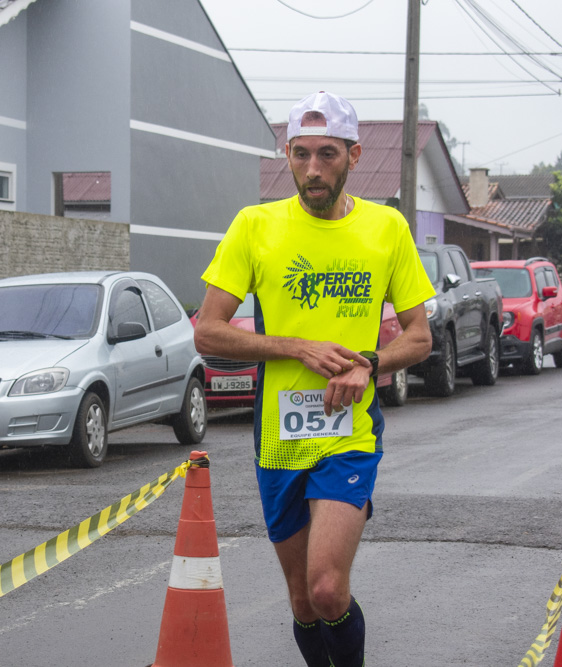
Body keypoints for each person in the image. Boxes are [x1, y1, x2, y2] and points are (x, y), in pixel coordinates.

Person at [193, 91, 436, 666]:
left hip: (349, 434)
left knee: (328, 588)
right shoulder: (255, 226)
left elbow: (419, 337)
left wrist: (370, 364)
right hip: (279, 437)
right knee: (303, 601)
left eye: (327, 154)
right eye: (300, 154)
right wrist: (293, 346)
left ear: (353, 154)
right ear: (287, 154)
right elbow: (208, 331)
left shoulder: (386, 228)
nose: (312, 169)